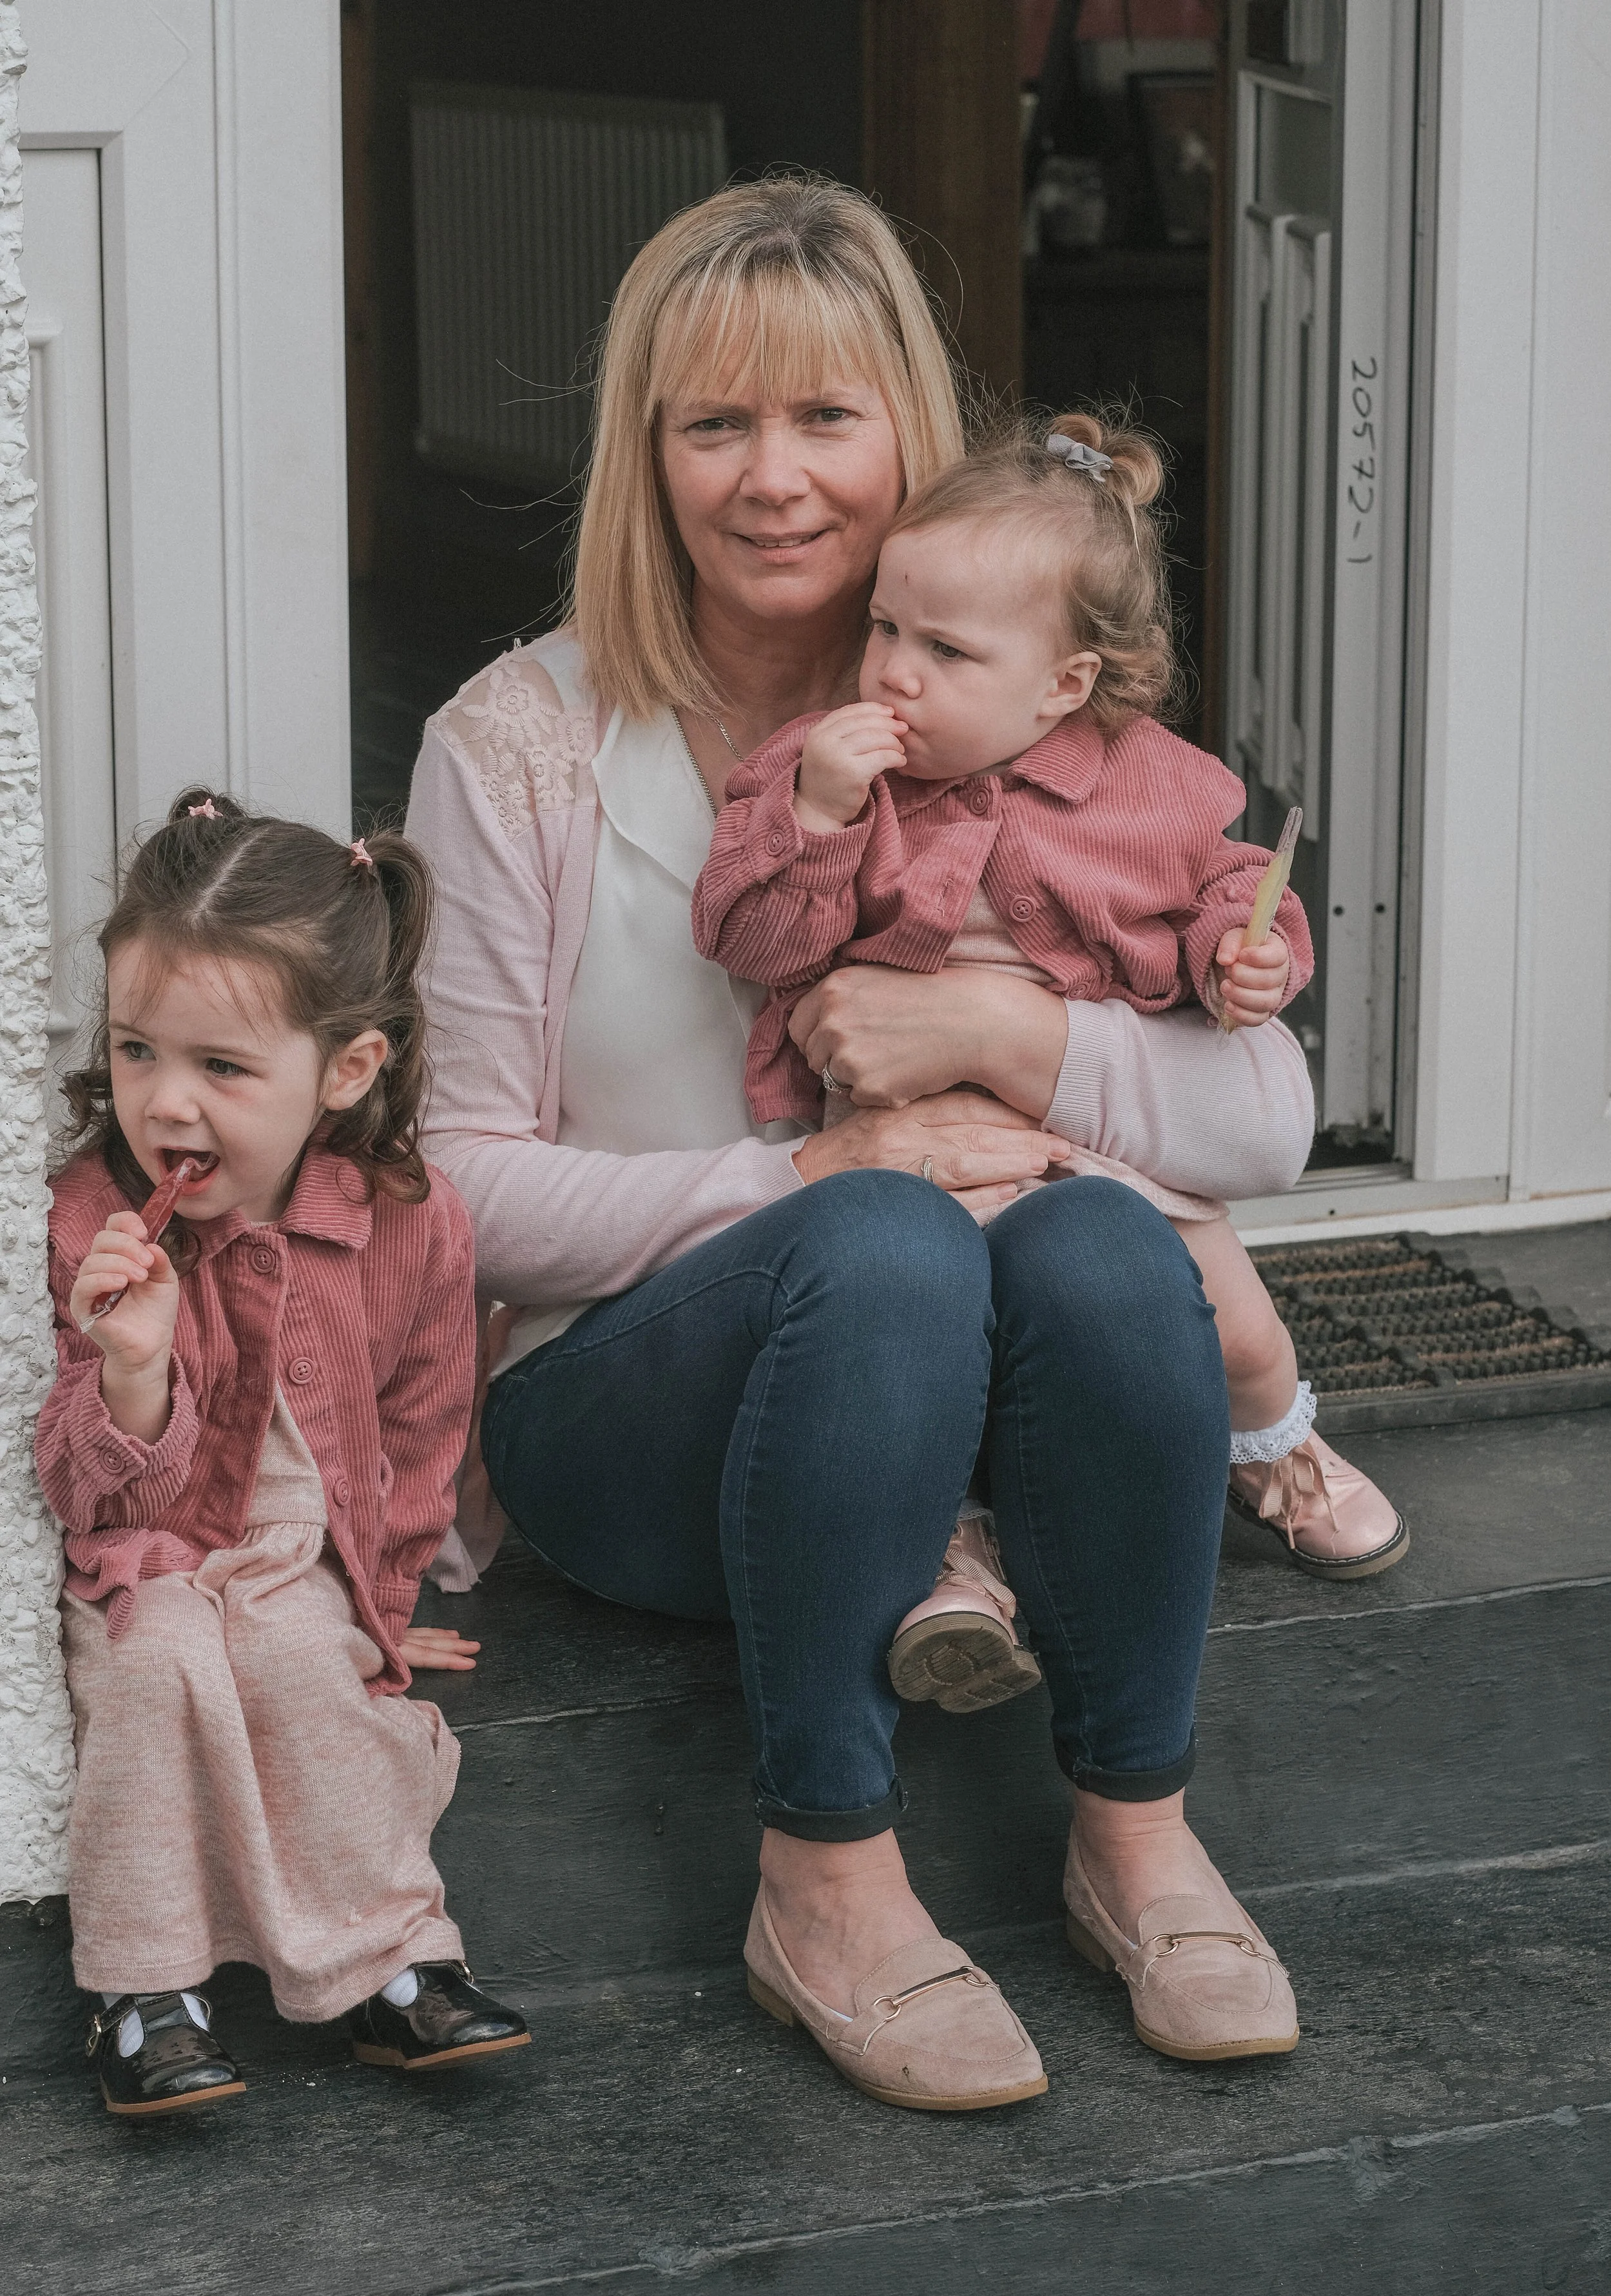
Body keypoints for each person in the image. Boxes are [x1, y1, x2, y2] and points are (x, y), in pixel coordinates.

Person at [409, 177, 1318, 2111]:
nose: (771, 480)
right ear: (643, 453)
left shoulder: (1004, 689)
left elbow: (1264, 1121)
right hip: (632, 1413)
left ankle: (1133, 1829)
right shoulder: (519, 745)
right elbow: (457, 1190)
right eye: (712, 421)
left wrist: (996, 1028)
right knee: (893, 1242)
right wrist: (810, 1173)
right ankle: (822, 1870)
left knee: (1098, 1249)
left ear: (912, 432)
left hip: (971, 1442)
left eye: (826, 416)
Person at [691, 410, 1407, 1711]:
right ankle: (954, 1563)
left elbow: (1228, 895)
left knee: (1229, 1325)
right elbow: (742, 935)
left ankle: (1274, 1453)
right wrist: (812, 818)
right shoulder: (823, 772)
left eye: (945, 650)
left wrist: (1248, 962)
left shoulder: (1150, 788)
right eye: (885, 630)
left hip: (1095, 1145)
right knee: (945, 1354)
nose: (893, 673)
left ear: (1061, 684)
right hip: (920, 1143)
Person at [37, 792, 528, 2118]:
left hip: (301, 1560)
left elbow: (425, 1427)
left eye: (222, 1068)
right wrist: (132, 1366)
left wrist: (383, 1596)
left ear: (347, 1071)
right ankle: (145, 1992)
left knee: (310, 1665)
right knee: (163, 1667)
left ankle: (392, 1964)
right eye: (138, 1052)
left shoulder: (405, 1224)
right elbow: (78, 1492)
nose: (166, 1102)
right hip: (145, 1551)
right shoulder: (94, 1220)